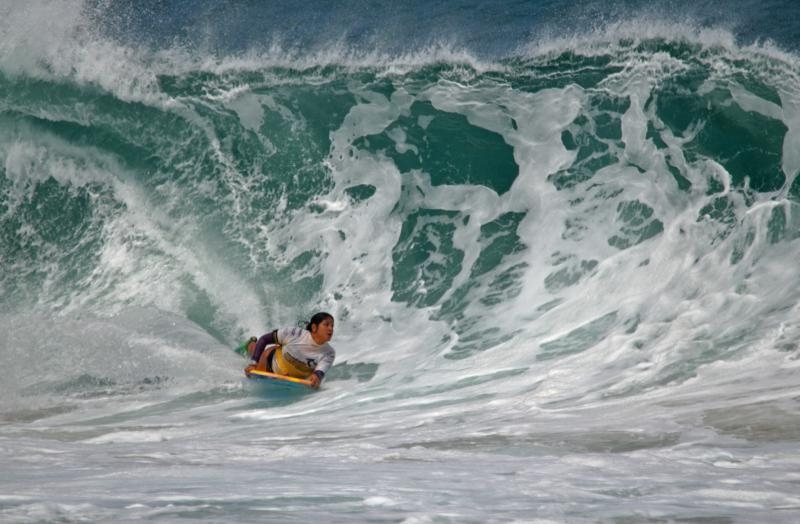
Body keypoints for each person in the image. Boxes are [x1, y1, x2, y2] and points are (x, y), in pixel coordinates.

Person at [244, 312, 336, 389]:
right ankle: (251, 343)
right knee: (255, 356)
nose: (330, 329)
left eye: (332, 326)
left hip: (290, 377)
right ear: (314, 328)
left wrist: (316, 378)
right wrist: (253, 364)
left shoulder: (329, 353)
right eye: (326, 325)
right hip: (269, 362)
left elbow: (319, 373)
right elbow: (264, 339)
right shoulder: (295, 333)